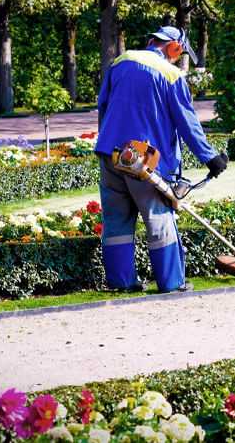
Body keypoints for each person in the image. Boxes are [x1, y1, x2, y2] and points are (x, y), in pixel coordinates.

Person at [94, 26, 228, 293]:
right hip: (144, 160)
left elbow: (103, 105)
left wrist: (110, 143)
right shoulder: (171, 74)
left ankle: (121, 283)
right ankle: (172, 283)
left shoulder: (120, 62)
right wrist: (210, 157)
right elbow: (187, 122)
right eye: (180, 53)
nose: (179, 59)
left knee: (117, 221)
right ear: (174, 46)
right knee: (159, 217)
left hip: (111, 153)